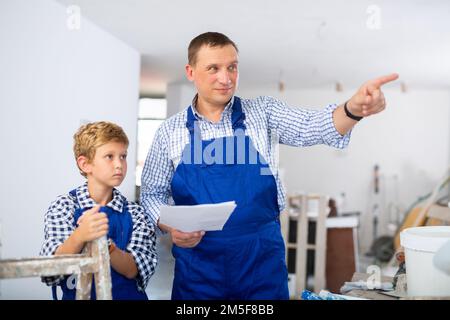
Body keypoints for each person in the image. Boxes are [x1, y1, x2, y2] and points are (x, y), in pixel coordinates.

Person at [140, 32, 398, 300]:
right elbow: (151, 195)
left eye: (232, 67)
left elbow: (313, 126)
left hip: (260, 266)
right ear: (191, 71)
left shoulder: (263, 113)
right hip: (199, 271)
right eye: (213, 68)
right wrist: (170, 226)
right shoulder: (169, 132)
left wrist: (353, 109)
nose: (226, 78)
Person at [40, 121, 158, 300]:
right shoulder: (64, 206)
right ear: (85, 164)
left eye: (123, 156)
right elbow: (50, 271)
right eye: (109, 156)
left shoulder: (136, 213)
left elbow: (133, 269)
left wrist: (105, 244)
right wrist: (80, 235)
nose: (119, 164)